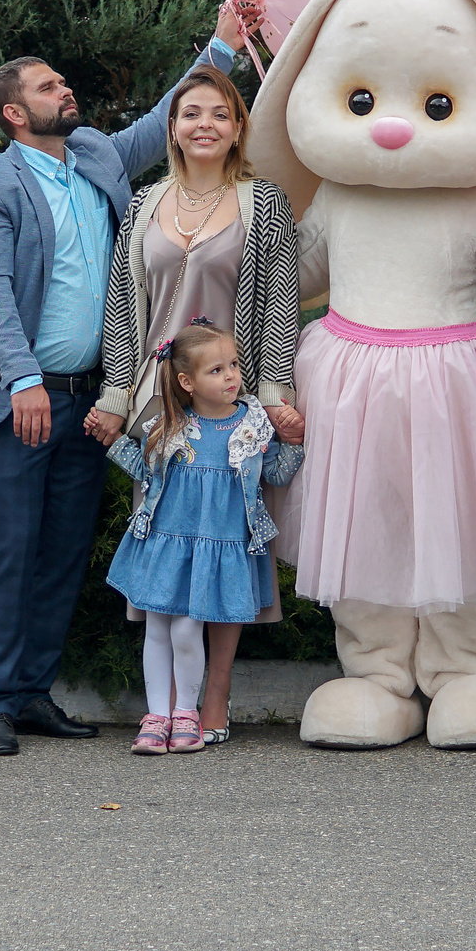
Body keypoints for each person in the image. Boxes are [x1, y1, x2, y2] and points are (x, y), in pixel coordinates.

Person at [0, 7, 244, 756]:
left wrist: (222, 47)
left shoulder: (94, 156)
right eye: (49, 86)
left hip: (92, 398)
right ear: (16, 112)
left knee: (62, 550)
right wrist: (22, 379)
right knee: (13, 548)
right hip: (26, 397)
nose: (65, 88)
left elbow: (160, 121)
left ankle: (32, 692)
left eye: (62, 80)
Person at [85, 63, 303, 745]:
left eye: (219, 112)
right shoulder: (145, 203)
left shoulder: (263, 204)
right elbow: (122, 309)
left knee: (228, 540)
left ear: (238, 126)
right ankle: (166, 702)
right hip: (160, 403)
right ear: (173, 128)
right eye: (190, 113)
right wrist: (118, 394)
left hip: (230, 397)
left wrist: (274, 397)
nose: (204, 123)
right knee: (169, 543)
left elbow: (279, 305)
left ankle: (215, 691)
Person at [104, 322, 302, 754]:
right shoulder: (169, 423)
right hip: (167, 542)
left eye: (233, 365)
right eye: (216, 370)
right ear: (187, 382)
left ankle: (186, 714)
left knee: (187, 631)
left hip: (216, 546)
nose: (231, 376)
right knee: (156, 630)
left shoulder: (251, 424)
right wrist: (114, 441)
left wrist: (294, 441)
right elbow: (147, 474)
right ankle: (156, 716)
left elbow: (275, 476)